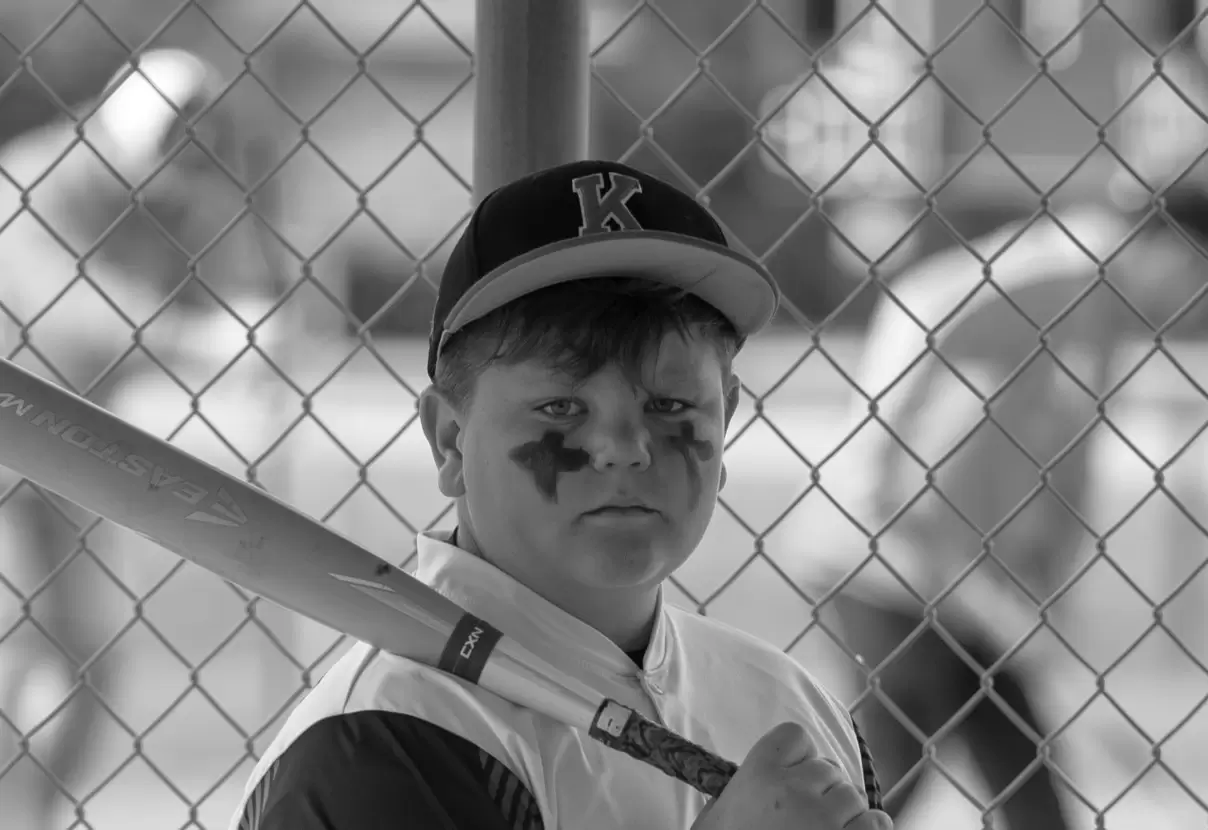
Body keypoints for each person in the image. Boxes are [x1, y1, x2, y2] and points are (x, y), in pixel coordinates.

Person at [225, 160, 892, 829]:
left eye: (670, 404)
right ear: (451, 442)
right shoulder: (387, 737)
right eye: (561, 407)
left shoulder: (789, 708)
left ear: (726, 422)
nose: (625, 447)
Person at [800, 183, 1208, 829]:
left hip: (967, 588)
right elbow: (914, 472)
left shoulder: (1093, 300)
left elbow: (1053, 465)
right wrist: (999, 602)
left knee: (1023, 782)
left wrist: (1032, 598)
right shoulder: (1053, 282)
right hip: (891, 566)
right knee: (890, 772)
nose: (1198, 311)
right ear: (1176, 248)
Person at [0, 48, 284, 827]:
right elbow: (60, 310)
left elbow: (236, 288)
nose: (189, 155)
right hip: (13, 444)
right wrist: (203, 340)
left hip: (73, 454)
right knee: (19, 649)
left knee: (92, 659)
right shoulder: (34, 177)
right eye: (176, 136)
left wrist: (249, 322)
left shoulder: (174, 195)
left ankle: (30, 817)